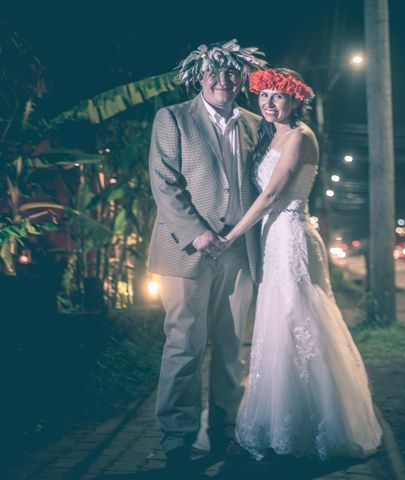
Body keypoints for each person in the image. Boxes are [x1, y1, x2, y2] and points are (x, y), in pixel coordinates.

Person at [215, 68, 382, 460]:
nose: (269, 103)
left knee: (299, 320)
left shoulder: (301, 136)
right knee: (277, 325)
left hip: (291, 235)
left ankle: (314, 425)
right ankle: (278, 422)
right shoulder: (269, 135)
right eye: (264, 96)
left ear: (294, 100)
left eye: (278, 96)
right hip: (272, 239)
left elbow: (273, 193)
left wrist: (231, 235)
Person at [147, 39, 267, 471]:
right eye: (214, 73)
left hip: (239, 252)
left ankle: (225, 432)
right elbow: (164, 183)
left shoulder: (258, 124)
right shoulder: (172, 119)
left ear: (241, 77)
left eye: (231, 73)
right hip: (185, 252)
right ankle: (177, 439)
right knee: (184, 345)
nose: (223, 80)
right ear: (200, 76)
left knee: (231, 347)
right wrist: (197, 234)